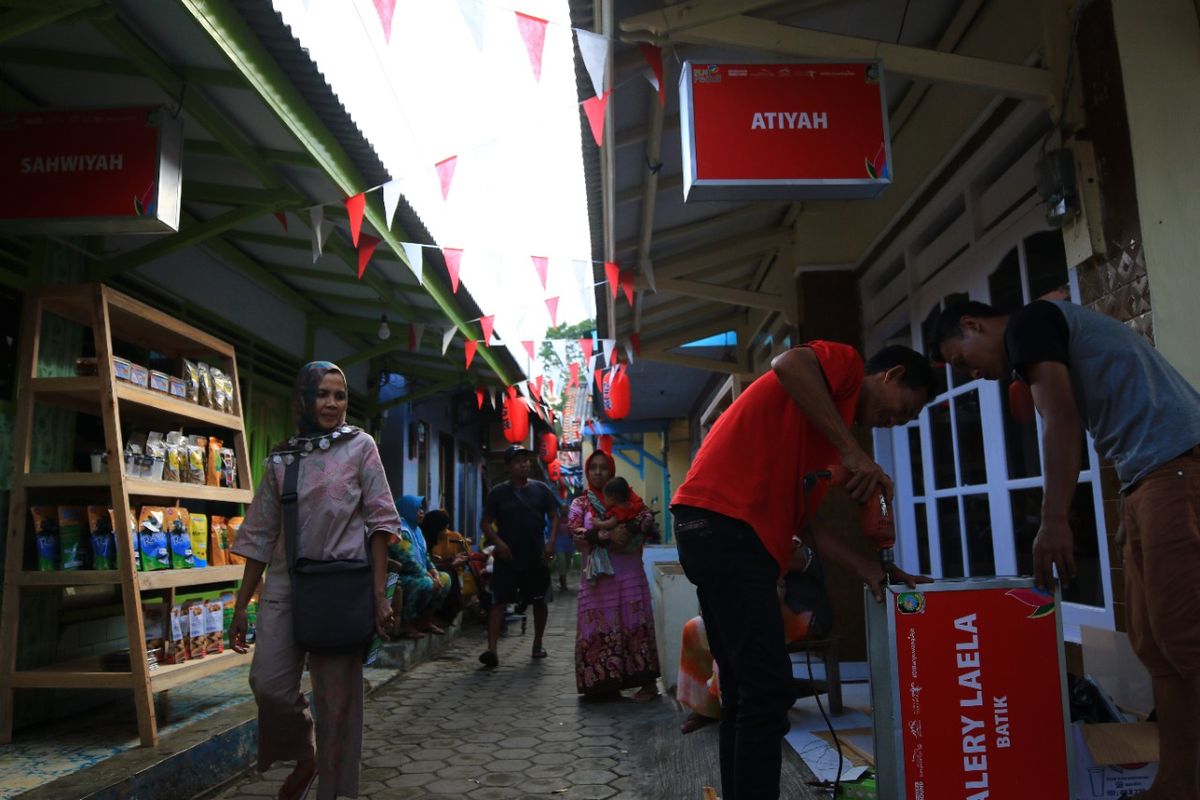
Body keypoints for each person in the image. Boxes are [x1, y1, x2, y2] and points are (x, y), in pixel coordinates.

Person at [932, 298, 1200, 800]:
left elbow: (1060, 417)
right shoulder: (1049, 334)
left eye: (964, 360)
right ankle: (1179, 786)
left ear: (973, 324)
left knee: (1185, 637)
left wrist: (1054, 519)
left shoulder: (1029, 322)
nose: (976, 374)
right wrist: (1129, 508)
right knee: (1156, 648)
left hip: (1176, 465)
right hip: (1147, 476)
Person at [671, 342, 935, 800]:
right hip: (728, 527)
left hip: (707, 528)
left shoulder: (813, 442)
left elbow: (805, 529)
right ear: (890, 375)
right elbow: (788, 362)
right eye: (903, 409)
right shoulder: (847, 366)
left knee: (744, 692)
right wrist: (852, 451)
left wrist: (866, 567)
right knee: (769, 693)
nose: (895, 422)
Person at [228, 361, 400, 800]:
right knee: (268, 685)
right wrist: (241, 606)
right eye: (322, 394)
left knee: (337, 701)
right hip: (286, 585)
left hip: (341, 586)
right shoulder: (282, 456)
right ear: (304, 398)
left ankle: (336, 792)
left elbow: (381, 521)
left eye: (339, 396)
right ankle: (307, 756)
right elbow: (260, 535)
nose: (332, 403)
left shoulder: (361, 446)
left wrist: (379, 597)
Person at [677, 536, 830, 734]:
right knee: (694, 628)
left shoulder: (794, 545)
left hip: (800, 614)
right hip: (758, 608)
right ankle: (707, 709)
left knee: (735, 634)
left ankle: (740, 710)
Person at [569, 450, 661, 701]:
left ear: (612, 471)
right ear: (587, 472)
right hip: (598, 579)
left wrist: (627, 530)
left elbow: (646, 518)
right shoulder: (580, 504)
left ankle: (647, 684)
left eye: (604, 468)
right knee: (600, 624)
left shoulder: (627, 497)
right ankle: (602, 684)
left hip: (628, 573)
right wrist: (606, 536)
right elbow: (575, 533)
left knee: (633, 622)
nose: (598, 472)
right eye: (593, 468)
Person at [478, 444, 560, 666]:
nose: (523, 464)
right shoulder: (498, 493)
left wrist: (551, 542)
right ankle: (492, 650)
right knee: (497, 601)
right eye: (517, 461)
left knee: (539, 601)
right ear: (508, 466)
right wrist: (499, 544)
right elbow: (485, 524)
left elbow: (554, 516)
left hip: (535, 554)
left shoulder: (541, 490)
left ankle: (537, 644)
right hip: (507, 556)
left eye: (525, 460)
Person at [390, 495, 451, 638]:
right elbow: (408, 561)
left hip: (419, 573)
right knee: (425, 584)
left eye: (422, 509)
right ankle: (406, 624)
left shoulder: (416, 531)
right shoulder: (400, 532)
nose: (422, 512)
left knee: (445, 579)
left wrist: (435, 572)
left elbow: (425, 556)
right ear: (407, 509)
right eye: (417, 509)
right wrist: (428, 576)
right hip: (401, 576)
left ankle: (424, 620)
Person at [421, 508, 470, 626]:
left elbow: (467, 551)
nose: (445, 531)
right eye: (443, 528)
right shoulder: (427, 539)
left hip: (454, 570)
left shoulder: (456, 537)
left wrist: (460, 558)